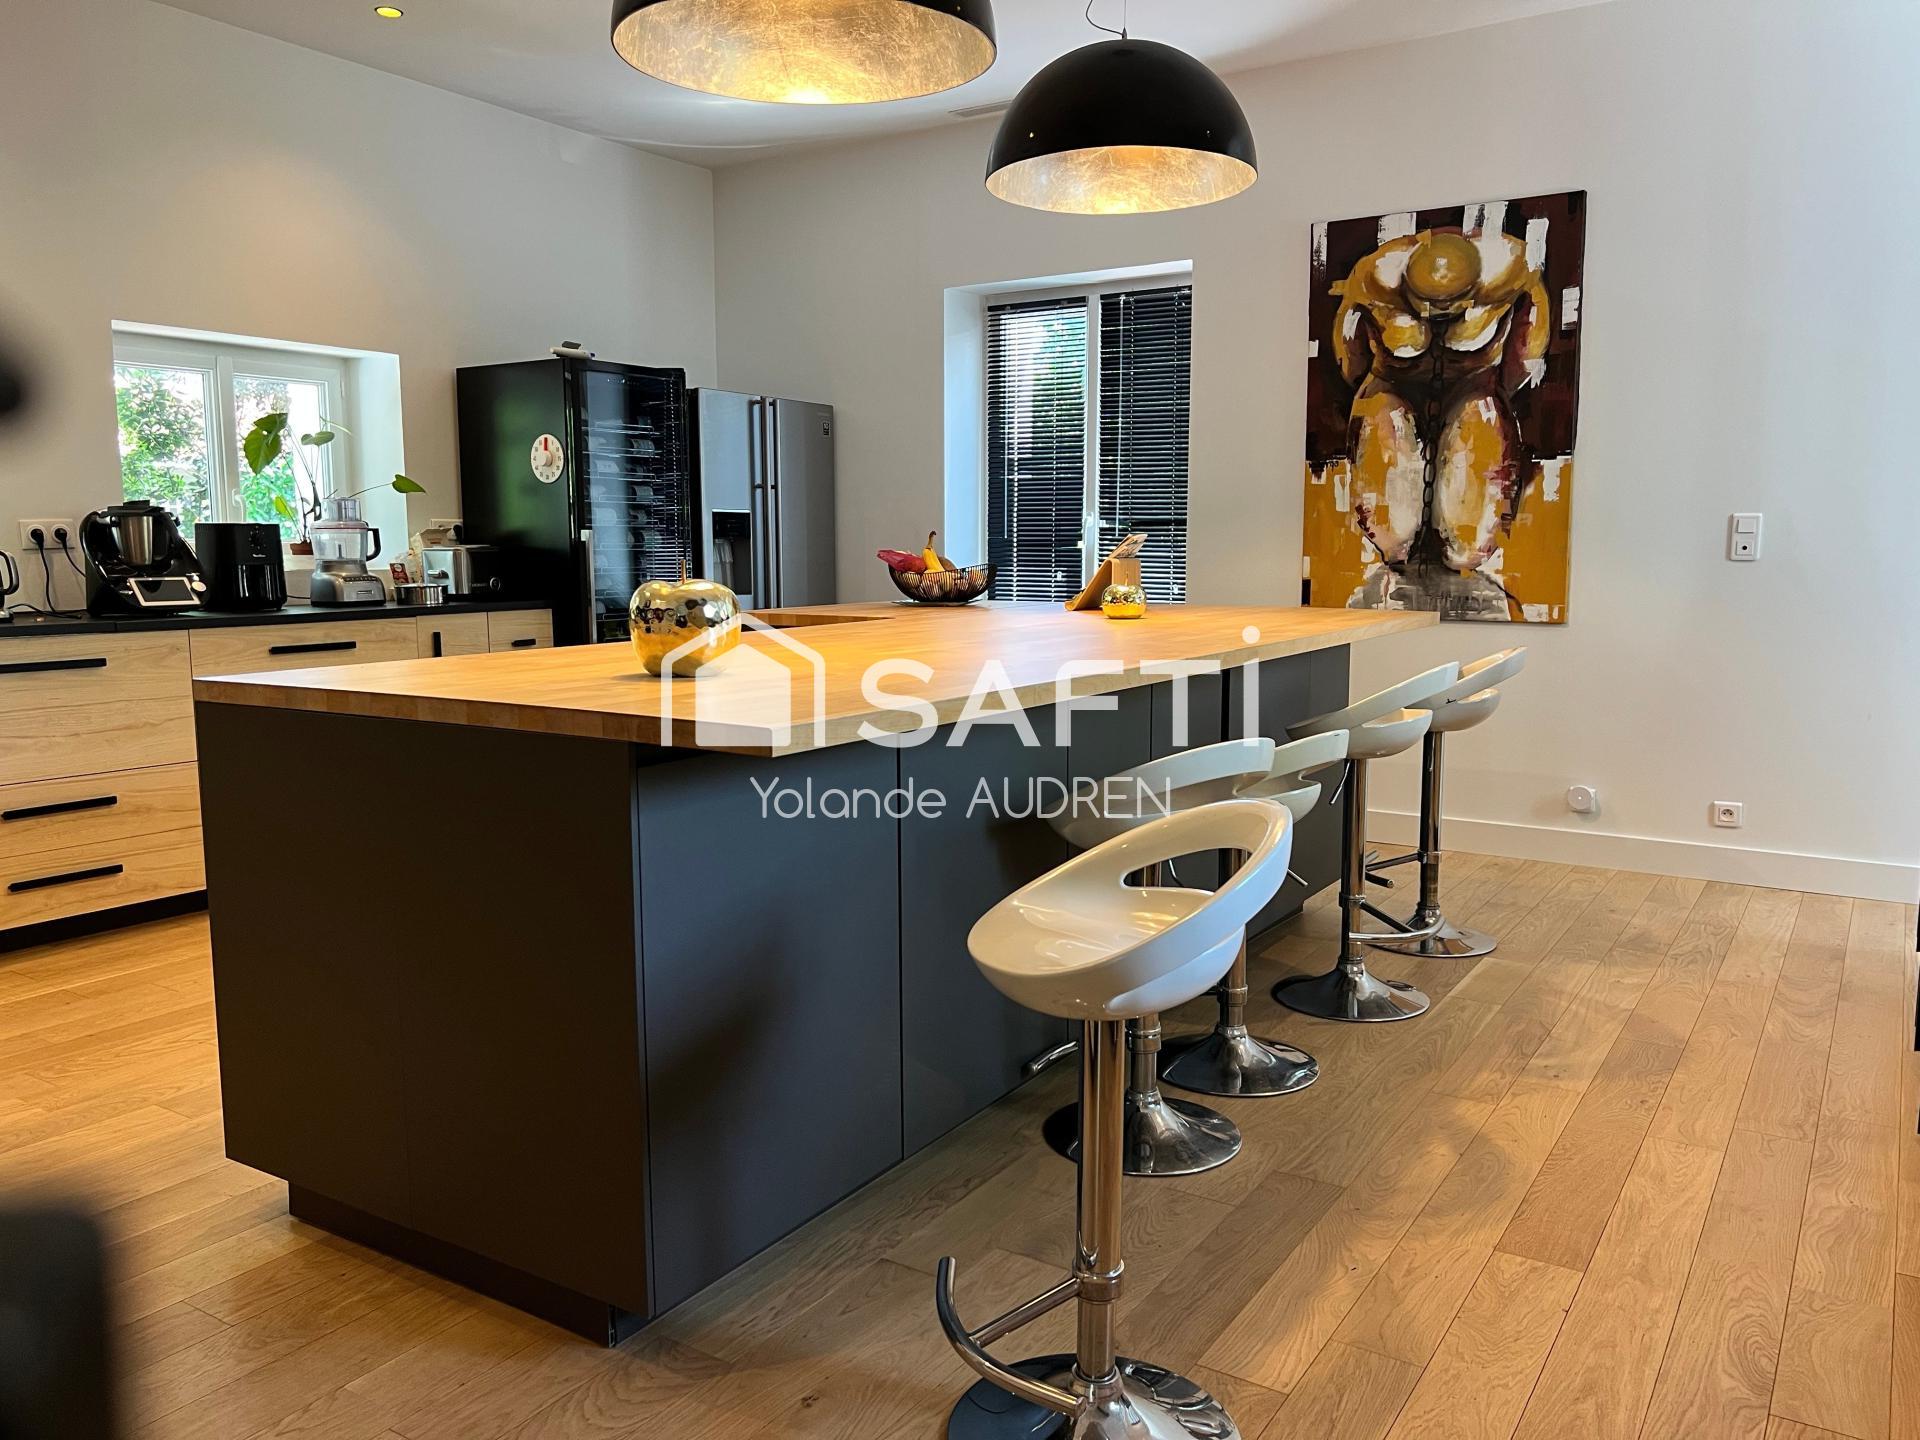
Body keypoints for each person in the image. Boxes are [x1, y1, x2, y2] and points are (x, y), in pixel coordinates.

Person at [1331, 226, 1552, 618]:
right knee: (1393, 535)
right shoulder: (1374, 279)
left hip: (1476, 383)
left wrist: (1497, 393)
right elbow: (1350, 356)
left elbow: (1528, 346)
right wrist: (1371, 400)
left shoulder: (1511, 271)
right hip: (1390, 383)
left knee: (1468, 545)